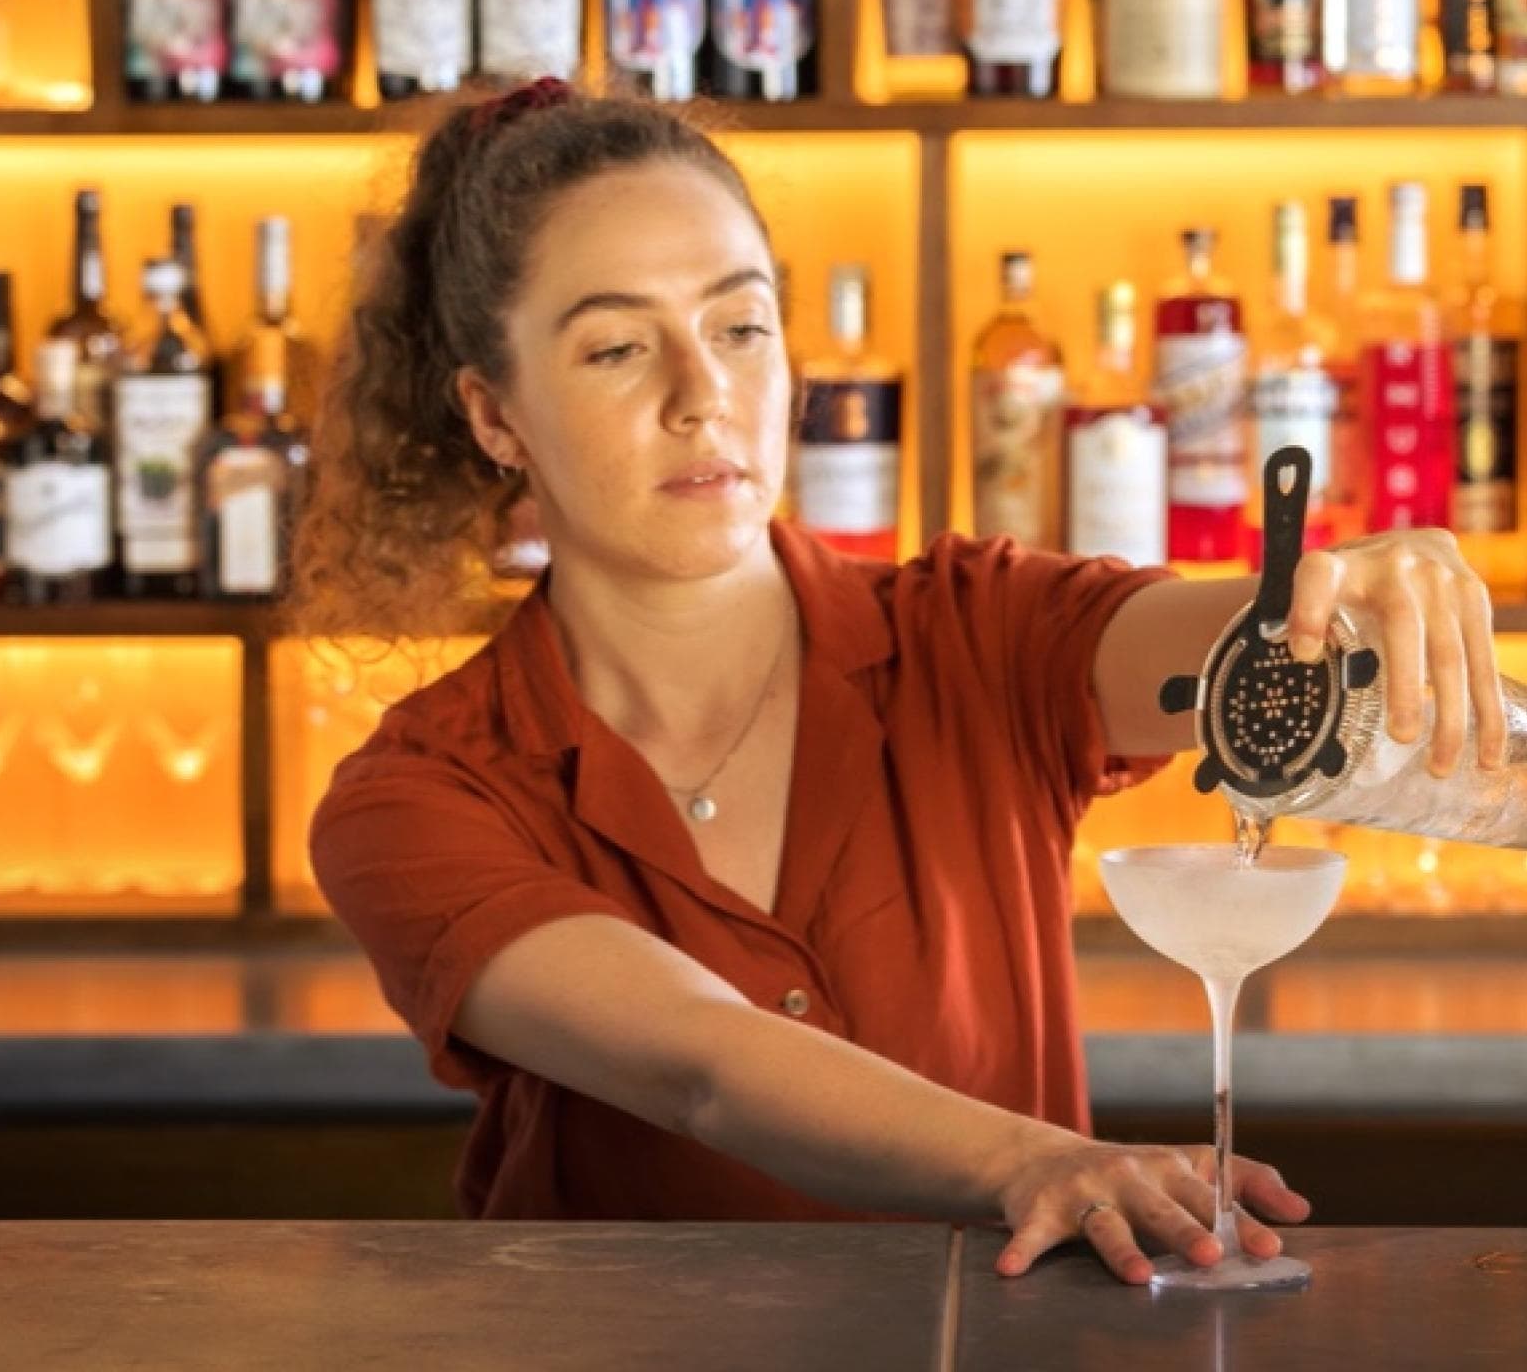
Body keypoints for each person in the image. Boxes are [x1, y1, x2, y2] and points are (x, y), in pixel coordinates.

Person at [294, 79, 1505, 1287]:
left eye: (740, 327)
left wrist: (1324, 599)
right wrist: (1040, 1162)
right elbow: (700, 1060)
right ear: (494, 413)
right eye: (617, 347)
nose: (701, 394)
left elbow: (1193, 642)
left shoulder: (975, 629)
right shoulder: (416, 796)